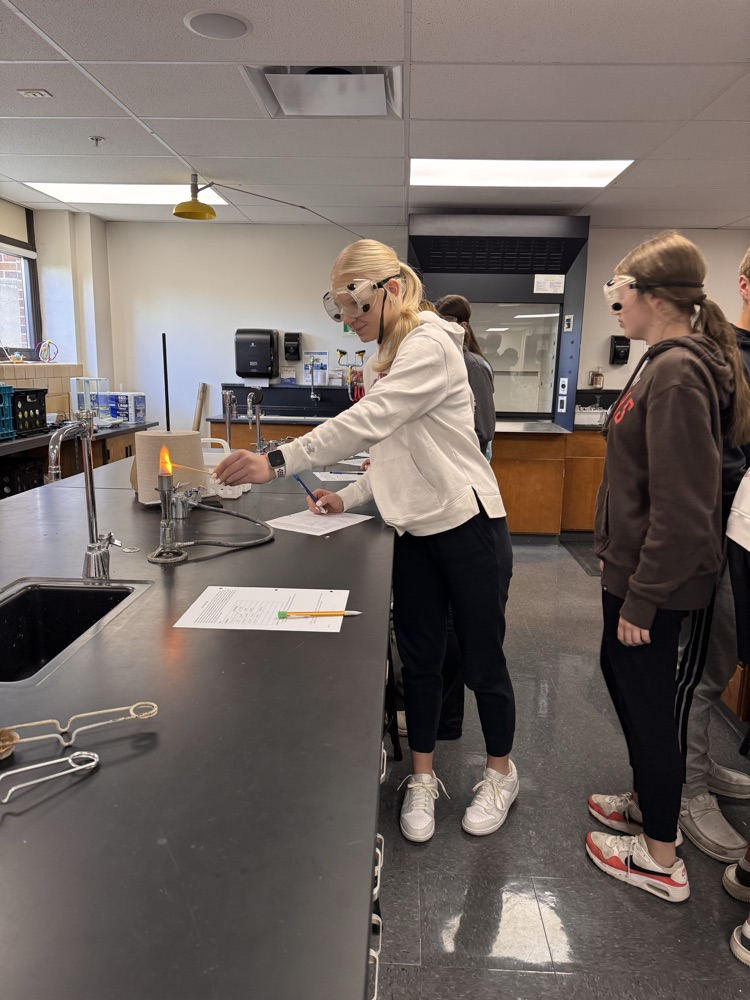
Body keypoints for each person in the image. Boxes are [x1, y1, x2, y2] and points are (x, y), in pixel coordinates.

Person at [214, 239, 518, 844]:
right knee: (423, 662)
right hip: (414, 531)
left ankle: (501, 773)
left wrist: (276, 459)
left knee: (483, 661)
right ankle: (424, 778)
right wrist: (346, 498)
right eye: (337, 309)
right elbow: (390, 454)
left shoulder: (429, 345)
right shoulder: (391, 355)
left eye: (353, 304)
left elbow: (366, 424)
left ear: (392, 290)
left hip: (467, 525)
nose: (347, 319)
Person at [586, 231, 750, 903]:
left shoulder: (680, 372)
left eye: (618, 290)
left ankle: (660, 857)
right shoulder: (660, 361)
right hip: (630, 575)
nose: (615, 302)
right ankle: (646, 804)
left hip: (660, 586)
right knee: (626, 688)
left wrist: (644, 600)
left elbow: (684, 511)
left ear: (652, 297)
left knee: (657, 712)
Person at [678, 247, 750, 862]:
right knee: (703, 673)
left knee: (725, 667)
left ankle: (700, 767)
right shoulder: (722, 360)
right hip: (728, 540)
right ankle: (685, 787)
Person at [435, 293, 496, 459]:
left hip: (467, 463)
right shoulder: (445, 361)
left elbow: (484, 430)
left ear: (462, 326)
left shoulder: (474, 367)